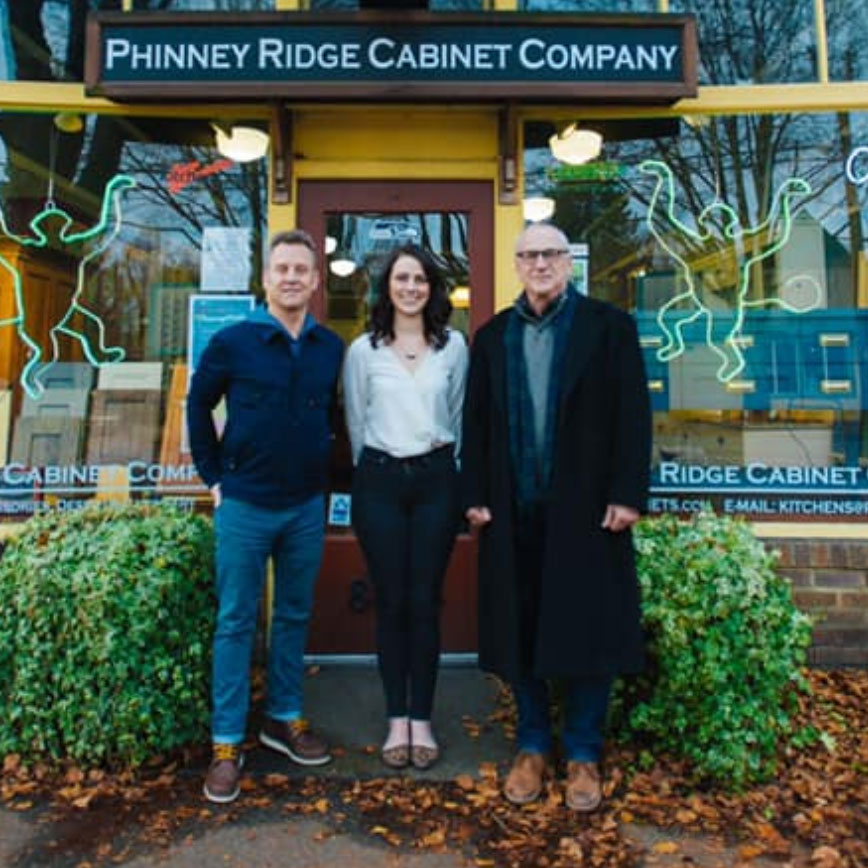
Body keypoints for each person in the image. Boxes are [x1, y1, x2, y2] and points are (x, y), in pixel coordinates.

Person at [461, 223, 650, 812]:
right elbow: (476, 425)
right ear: (516, 265)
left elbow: (633, 416)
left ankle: (585, 753)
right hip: (513, 510)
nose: (539, 263)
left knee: (589, 633)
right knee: (521, 633)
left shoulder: (608, 328)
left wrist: (627, 493)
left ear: (568, 262)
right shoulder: (492, 338)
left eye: (550, 254)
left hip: (588, 511)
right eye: (529, 255)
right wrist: (474, 493)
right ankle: (534, 745)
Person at [188, 229, 344, 804]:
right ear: (266, 277)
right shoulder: (234, 341)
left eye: (302, 269)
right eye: (282, 268)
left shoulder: (330, 347)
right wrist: (213, 476)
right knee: (235, 621)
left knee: (294, 615)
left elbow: (333, 415)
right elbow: (198, 404)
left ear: (315, 280)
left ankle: (283, 718)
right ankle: (226, 743)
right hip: (246, 504)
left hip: (305, 504)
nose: (291, 277)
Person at [343, 244, 468, 771]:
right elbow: (354, 421)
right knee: (392, 601)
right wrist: (378, 471)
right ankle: (398, 718)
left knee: (425, 601)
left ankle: (423, 717)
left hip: (437, 479)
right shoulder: (362, 351)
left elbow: (458, 417)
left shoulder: (454, 347)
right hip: (380, 482)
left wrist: (446, 470)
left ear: (432, 287)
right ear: (386, 288)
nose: (410, 287)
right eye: (401, 278)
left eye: (419, 279)